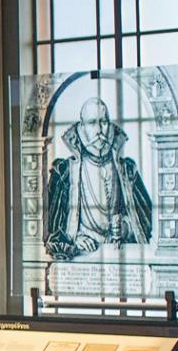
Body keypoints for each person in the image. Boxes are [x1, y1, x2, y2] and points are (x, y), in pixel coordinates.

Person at [44, 94, 153, 259]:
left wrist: (125, 227)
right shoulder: (65, 172)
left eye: (103, 122)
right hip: (83, 256)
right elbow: (52, 228)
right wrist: (74, 238)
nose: (99, 130)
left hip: (118, 254)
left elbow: (146, 220)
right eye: (92, 123)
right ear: (81, 127)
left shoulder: (127, 170)